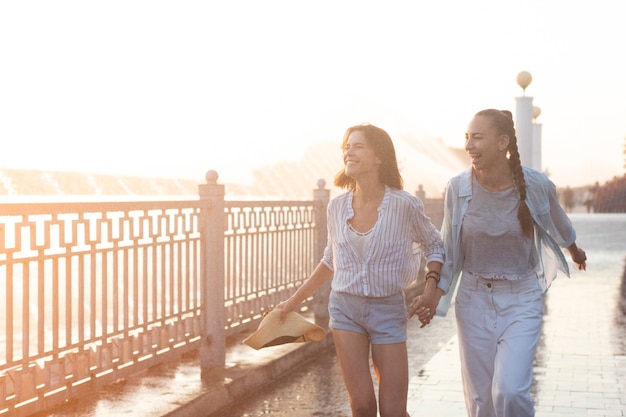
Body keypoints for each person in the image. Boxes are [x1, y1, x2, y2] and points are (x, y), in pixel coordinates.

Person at [415, 109, 587, 417]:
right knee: (482, 402)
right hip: (473, 300)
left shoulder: (535, 184)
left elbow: (558, 222)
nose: (469, 145)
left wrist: (574, 250)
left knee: (510, 391)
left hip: (521, 298)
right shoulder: (458, 188)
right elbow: (449, 248)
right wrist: (433, 291)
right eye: (467, 138)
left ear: (502, 142)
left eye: (478, 137)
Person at [275, 123, 445, 417]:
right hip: (345, 310)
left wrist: (430, 290)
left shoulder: (405, 205)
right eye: (346, 147)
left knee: (393, 410)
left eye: (358, 146)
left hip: (388, 309)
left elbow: (434, 246)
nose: (348, 152)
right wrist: (292, 303)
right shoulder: (336, 207)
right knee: (363, 406)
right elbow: (331, 259)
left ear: (379, 157)